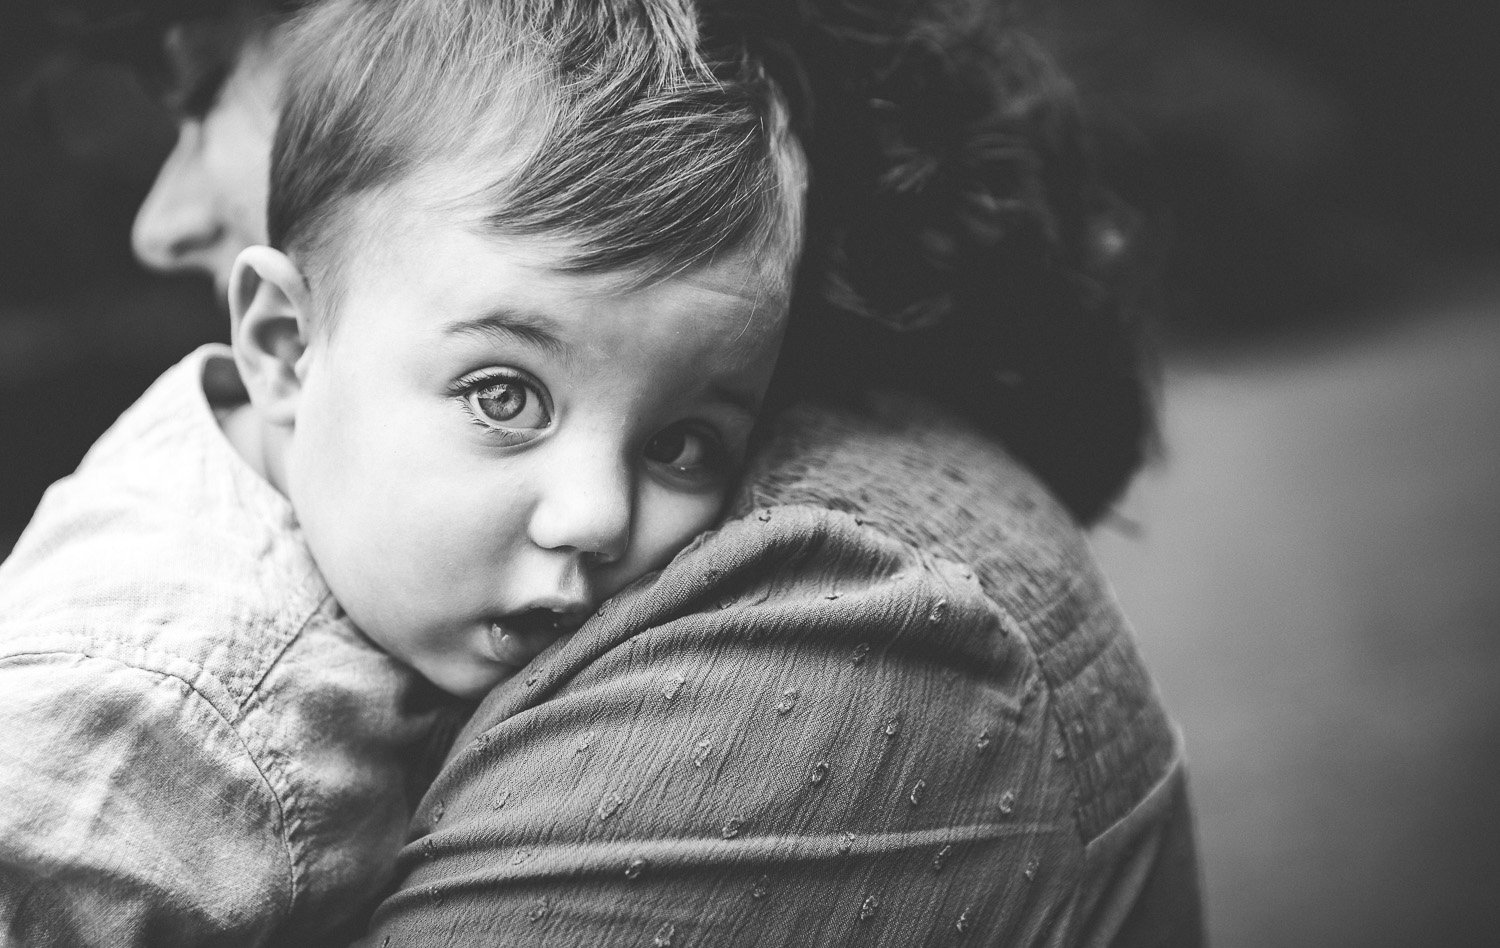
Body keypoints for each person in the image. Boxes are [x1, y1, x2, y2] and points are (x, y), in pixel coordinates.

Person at [44, 0, 1205, 944]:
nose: (160, 219)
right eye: (504, 398)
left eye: (206, 93)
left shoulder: (832, 624)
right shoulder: (152, 697)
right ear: (281, 341)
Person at [0, 0, 807, 943]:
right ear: (283, 344)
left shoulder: (342, 499)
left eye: (681, 445)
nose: (598, 517)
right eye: (503, 396)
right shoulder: (151, 723)